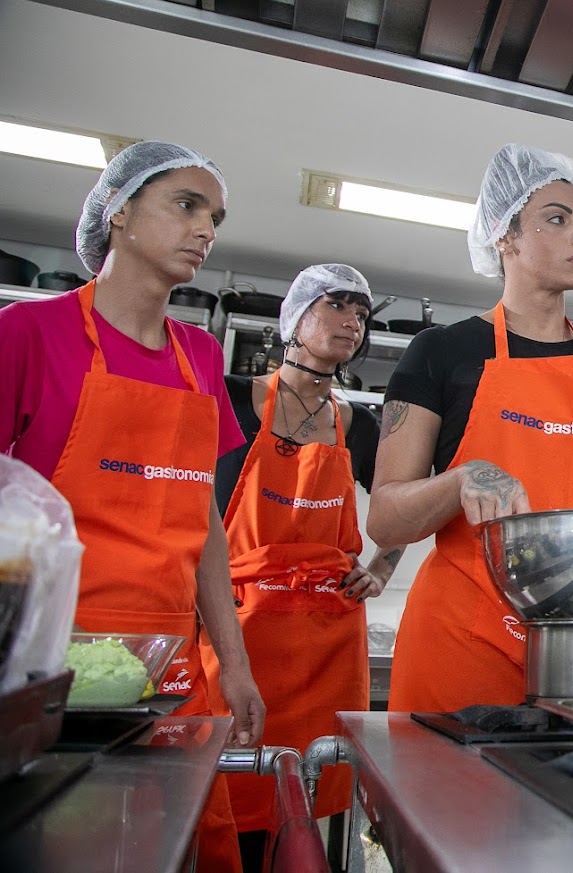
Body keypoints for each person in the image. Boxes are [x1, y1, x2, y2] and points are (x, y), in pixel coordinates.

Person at [0, 141, 262, 872]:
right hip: (50, 668)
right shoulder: (27, 333)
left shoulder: (200, 357)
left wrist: (234, 663)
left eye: (215, 218)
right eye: (186, 205)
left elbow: (202, 519)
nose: (205, 229)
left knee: (175, 845)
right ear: (118, 211)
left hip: (172, 671)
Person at [368, 144, 573, 711]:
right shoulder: (443, 352)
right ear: (505, 236)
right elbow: (385, 517)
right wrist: (460, 479)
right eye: (557, 219)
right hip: (463, 640)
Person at [201, 264, 402, 868]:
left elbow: (404, 505)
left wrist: (382, 567)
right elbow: (189, 502)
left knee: (307, 802)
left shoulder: (357, 424)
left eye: (361, 315)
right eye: (335, 306)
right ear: (294, 317)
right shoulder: (233, 397)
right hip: (239, 636)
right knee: (227, 792)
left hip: (325, 647)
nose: (352, 322)